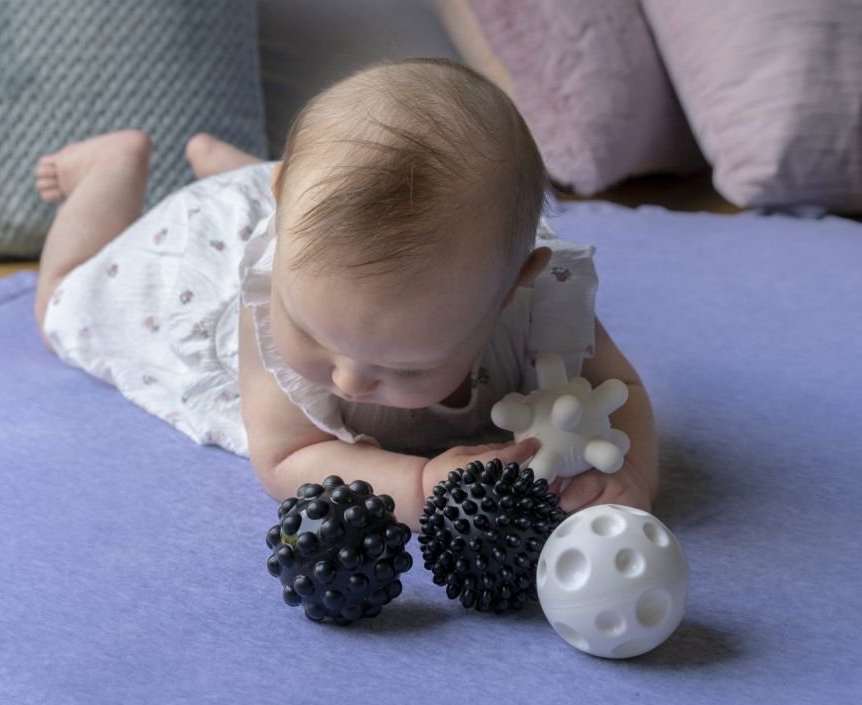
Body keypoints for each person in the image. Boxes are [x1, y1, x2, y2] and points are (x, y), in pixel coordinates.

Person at [34, 58, 658, 530]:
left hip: (307, 223)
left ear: (511, 289)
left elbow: (621, 389)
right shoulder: (265, 311)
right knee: (62, 306)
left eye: (406, 366)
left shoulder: (537, 300)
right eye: (308, 332)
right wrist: (419, 484)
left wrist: (630, 472)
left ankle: (242, 170)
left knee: (337, 215)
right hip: (204, 248)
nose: (349, 380)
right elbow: (288, 457)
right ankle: (110, 169)